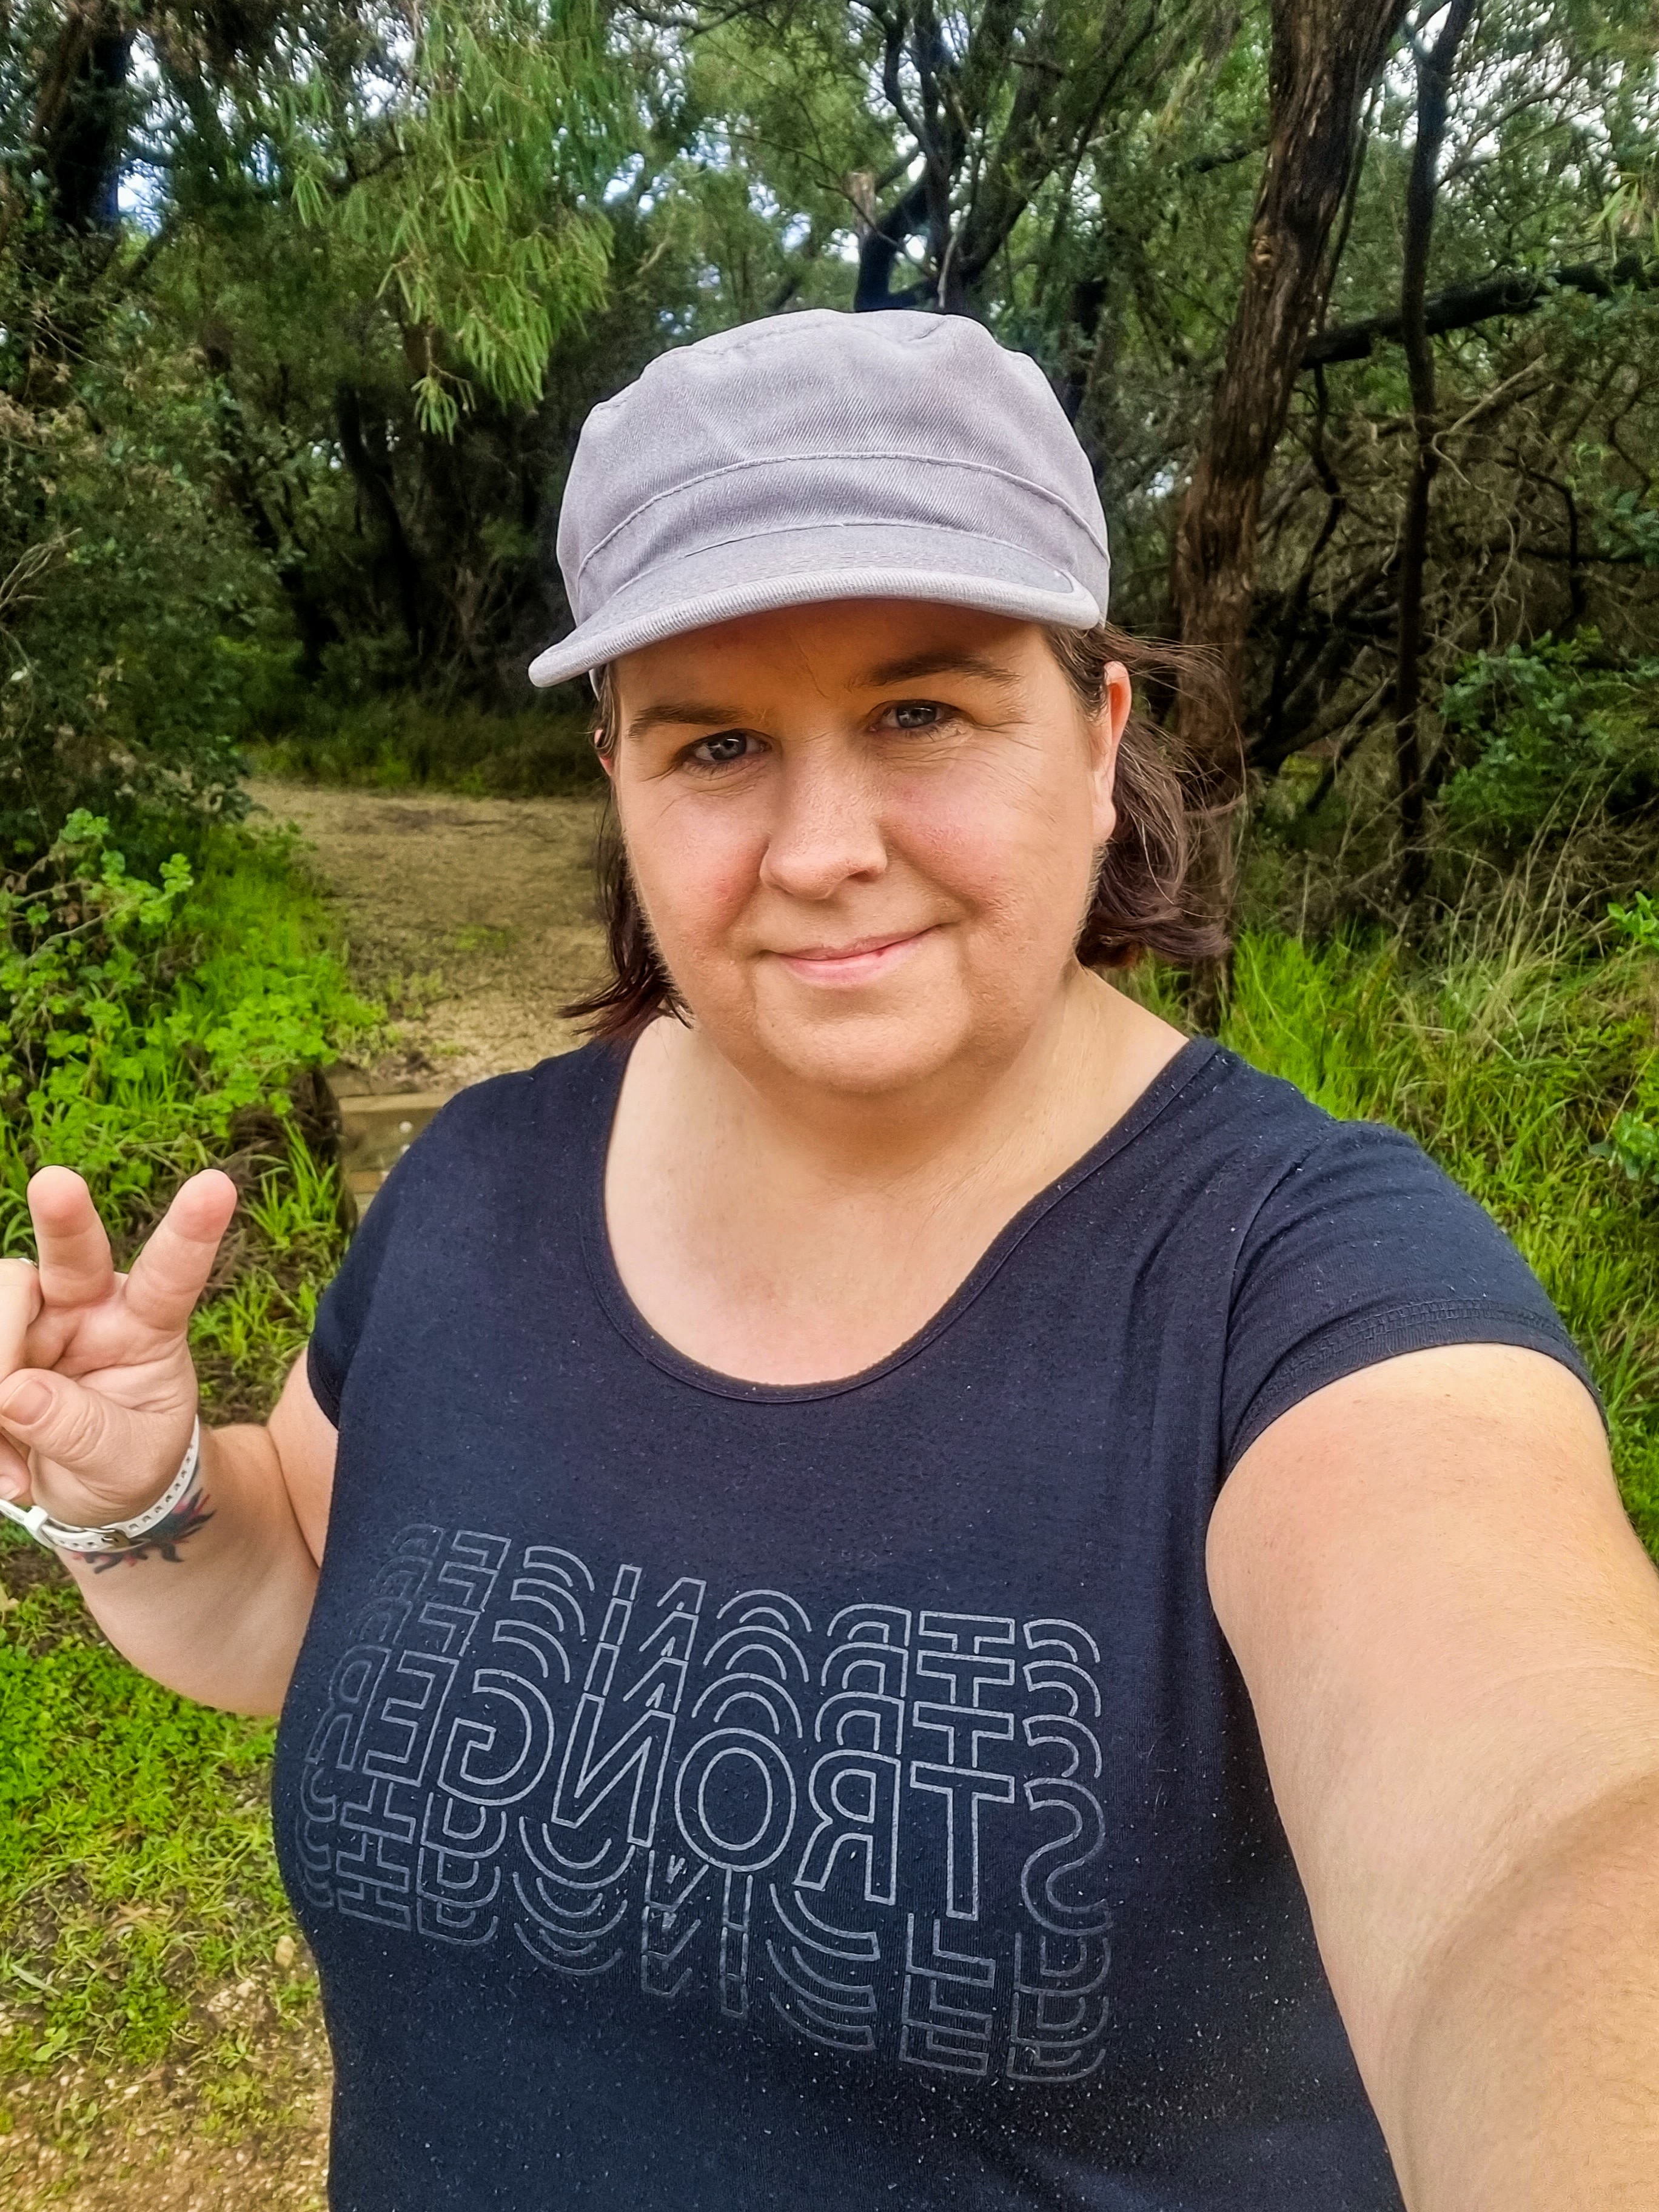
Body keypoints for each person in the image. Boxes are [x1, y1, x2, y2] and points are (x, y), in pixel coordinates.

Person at [1, 310, 1656, 2212]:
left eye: (923, 713)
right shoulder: (479, 1187)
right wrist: (146, 1498)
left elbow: (1556, 1837)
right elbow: (297, 1598)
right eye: (716, 742)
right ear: (618, 781)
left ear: (1103, 738)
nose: (824, 845)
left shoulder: (1299, 1288)